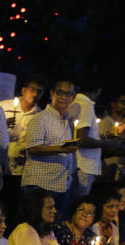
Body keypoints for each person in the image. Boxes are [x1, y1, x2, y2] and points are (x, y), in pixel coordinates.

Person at [20, 79, 79, 217]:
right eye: (60, 93)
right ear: (52, 93)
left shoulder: (67, 120)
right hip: (41, 185)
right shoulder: (40, 118)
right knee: (34, 229)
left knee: (52, 233)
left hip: (62, 185)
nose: (63, 97)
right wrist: (62, 149)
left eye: (68, 94)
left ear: (73, 97)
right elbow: (32, 147)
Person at [0, 74, 45, 215]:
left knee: (15, 209)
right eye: (32, 89)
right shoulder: (4, 106)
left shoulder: (40, 116)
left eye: (39, 91)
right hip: (0, 167)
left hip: (21, 171)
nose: (35, 94)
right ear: (24, 90)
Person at [68, 79, 104, 199]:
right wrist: (107, 144)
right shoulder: (86, 105)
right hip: (83, 166)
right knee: (78, 203)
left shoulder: (76, 102)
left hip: (79, 165)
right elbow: (82, 139)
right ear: (98, 91)